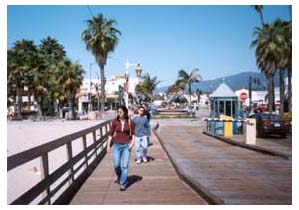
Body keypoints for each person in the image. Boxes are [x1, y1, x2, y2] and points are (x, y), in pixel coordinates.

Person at [107, 105, 135, 191]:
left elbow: (133, 135)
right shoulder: (115, 122)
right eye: (118, 112)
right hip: (117, 145)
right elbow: (110, 135)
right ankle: (120, 176)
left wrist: (132, 144)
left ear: (125, 112)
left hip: (126, 145)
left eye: (120, 112)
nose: (119, 114)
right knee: (116, 165)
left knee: (125, 166)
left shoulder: (130, 122)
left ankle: (123, 184)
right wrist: (108, 146)